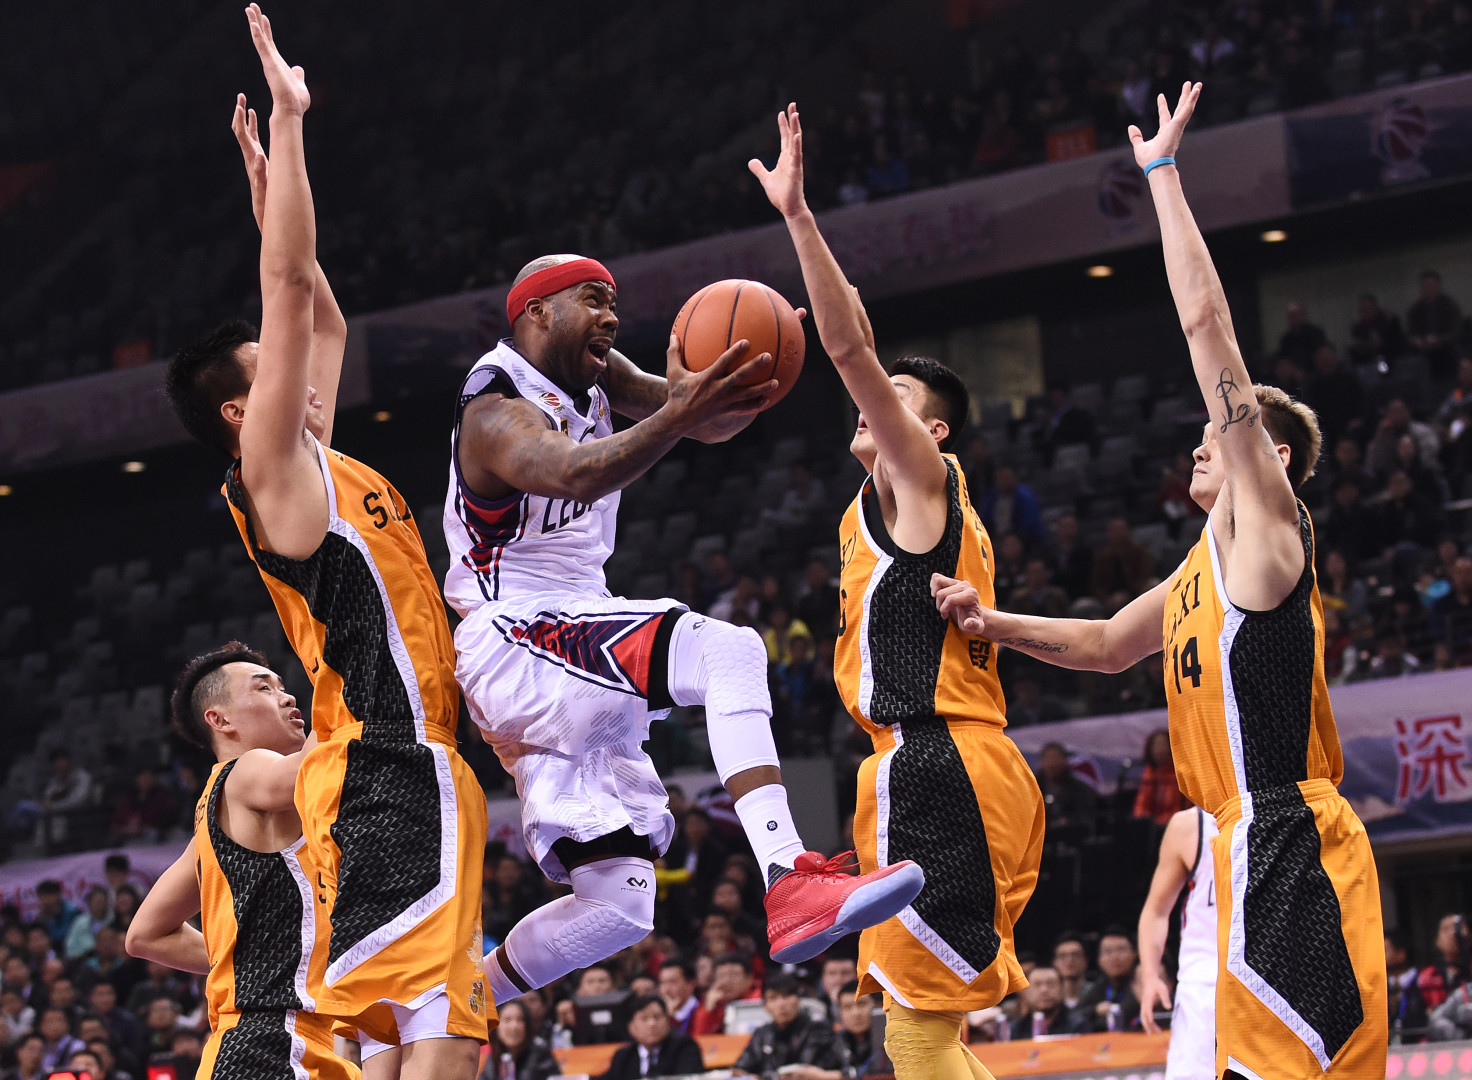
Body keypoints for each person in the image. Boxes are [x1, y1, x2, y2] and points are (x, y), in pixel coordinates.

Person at [932, 84, 1388, 1079]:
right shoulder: (1195, 575)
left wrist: (1162, 178)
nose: (1200, 441)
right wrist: (986, 619)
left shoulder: (1271, 533)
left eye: (1220, 435)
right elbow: (1099, 647)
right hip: (1228, 850)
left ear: (1264, 456)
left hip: (1287, 833)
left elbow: (1204, 324)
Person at [445, 250, 917, 1002]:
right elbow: (576, 471)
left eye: (613, 302)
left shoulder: (595, 373)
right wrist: (681, 412)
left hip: (566, 631)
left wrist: (752, 377)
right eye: (593, 300)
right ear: (536, 312)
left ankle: (450, 1006)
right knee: (727, 649)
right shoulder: (496, 412)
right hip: (515, 632)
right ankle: (787, 875)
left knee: (618, 907)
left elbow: (704, 422)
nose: (612, 315)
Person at [162, 9, 489, 1073]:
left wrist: (271, 200)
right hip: (383, 759)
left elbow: (327, 321)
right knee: (446, 1019)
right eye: (273, 370)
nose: (304, 371)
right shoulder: (275, 480)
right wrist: (293, 128)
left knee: (424, 1027)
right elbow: (293, 291)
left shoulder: (321, 460)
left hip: (402, 759)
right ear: (235, 415)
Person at [753, 102, 1042, 1080]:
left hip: (939, 766)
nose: (873, 405)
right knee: (919, 1033)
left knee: (916, 1034)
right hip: (918, 767)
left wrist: (796, 218)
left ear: (935, 435)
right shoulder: (870, 509)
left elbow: (849, 351)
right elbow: (863, 348)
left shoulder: (922, 485)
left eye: (900, 405)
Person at [125, 642, 359, 1080]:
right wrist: (342, 673)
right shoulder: (248, 768)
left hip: (256, 1040)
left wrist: (248, 957)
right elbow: (309, 772)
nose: (289, 698)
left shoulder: (209, 824)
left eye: (284, 687)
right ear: (220, 719)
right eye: (265, 689)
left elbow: (145, 935)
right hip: (270, 1042)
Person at [1138, 808, 1218, 1080]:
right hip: (1203, 985)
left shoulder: (1284, 810)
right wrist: (1150, 976)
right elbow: (1156, 911)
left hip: (1268, 982)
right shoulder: (1189, 825)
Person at [733, 974, 846, 1080]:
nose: (781, 1004)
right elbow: (740, 1069)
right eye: (773, 998)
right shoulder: (761, 1034)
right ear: (765, 1006)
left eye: (786, 996)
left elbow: (833, 1068)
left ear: (798, 999)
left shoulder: (819, 1029)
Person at [598, 996, 703, 1080]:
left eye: (657, 1017)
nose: (652, 1024)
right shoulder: (623, 1056)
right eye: (644, 1018)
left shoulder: (685, 1048)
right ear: (631, 1027)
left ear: (667, 1021)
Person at [475, 999, 557, 1080]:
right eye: (507, 1020)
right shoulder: (492, 1057)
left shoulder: (541, 1054)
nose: (514, 1026)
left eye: (520, 1020)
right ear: (496, 1027)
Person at [1076, 929, 1141, 1032]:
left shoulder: (1141, 981)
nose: (1115, 957)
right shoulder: (1100, 986)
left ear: (1135, 954)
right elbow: (1076, 1015)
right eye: (1108, 951)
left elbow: (1127, 1013)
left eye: (1121, 950)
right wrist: (1095, 1010)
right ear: (1099, 960)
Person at [691, 954, 762, 1037]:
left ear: (750, 979)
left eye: (734, 975)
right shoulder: (713, 1004)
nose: (727, 981)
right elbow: (699, 1040)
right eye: (721, 976)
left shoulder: (760, 1000)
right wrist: (708, 1010)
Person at [1009, 967, 1088, 1039]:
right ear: (1026, 992)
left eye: (1051, 984)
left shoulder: (1078, 1025)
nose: (1044, 990)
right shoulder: (1015, 1029)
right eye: (1037, 985)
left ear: (1062, 989)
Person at [1132, 729, 1189, 827]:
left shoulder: (1180, 773)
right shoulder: (1149, 774)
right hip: (1152, 827)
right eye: (1156, 745)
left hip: (1177, 823)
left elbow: (1185, 807)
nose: (1159, 749)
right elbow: (1141, 806)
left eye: (1163, 744)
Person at [1385, 931, 1428, 1043]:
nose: (1379, 956)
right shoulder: (1380, 986)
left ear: (1401, 954)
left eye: (1385, 950)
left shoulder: (1423, 979)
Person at [836, 982, 877, 1078]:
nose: (856, 1013)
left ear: (876, 1005)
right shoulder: (835, 1040)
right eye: (847, 1007)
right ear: (839, 1012)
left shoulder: (891, 1038)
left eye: (862, 1004)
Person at [1051, 934, 1093, 1011]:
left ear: (1086, 961)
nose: (1070, 960)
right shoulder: (1049, 998)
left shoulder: (1096, 993)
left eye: (1075, 955)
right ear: (1054, 963)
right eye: (1063, 956)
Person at [656, 960, 698, 1037]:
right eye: (662, 983)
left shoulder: (702, 1012)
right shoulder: (656, 1017)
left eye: (672, 982)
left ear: (691, 984)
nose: (666, 990)